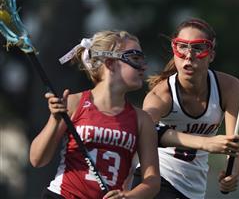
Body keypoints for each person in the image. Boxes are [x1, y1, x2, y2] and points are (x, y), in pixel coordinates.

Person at [29, 30, 160, 199]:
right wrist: (55, 120)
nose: (144, 66)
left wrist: (128, 197)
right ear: (111, 63)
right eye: (135, 58)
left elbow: (152, 181)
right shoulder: (74, 103)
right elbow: (37, 160)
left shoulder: (142, 120)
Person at [132, 18, 239, 198]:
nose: (189, 56)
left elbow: (235, 145)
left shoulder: (229, 87)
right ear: (174, 51)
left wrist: (233, 172)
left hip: (194, 190)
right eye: (182, 47)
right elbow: (145, 131)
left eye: (198, 48)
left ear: (211, 55)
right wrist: (205, 143)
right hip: (159, 181)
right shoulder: (160, 95)